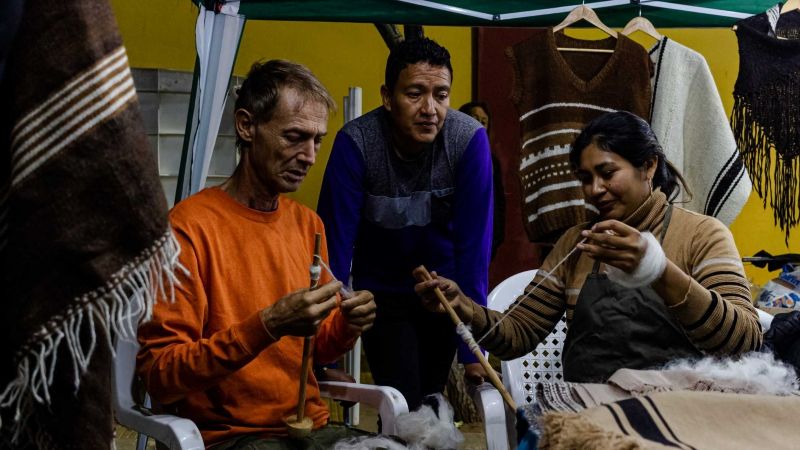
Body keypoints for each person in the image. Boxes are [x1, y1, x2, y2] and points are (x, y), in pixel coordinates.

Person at [415, 111, 762, 383]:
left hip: (677, 418)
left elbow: (743, 342)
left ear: (648, 166)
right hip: (590, 415)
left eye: (607, 173)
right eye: (585, 178)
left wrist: (657, 269)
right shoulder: (577, 244)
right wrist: (463, 306)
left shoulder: (702, 235)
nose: (594, 190)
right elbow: (517, 334)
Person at [136, 59, 377, 449]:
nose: (309, 156)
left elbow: (314, 350)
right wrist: (267, 324)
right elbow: (162, 375)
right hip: (231, 437)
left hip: (308, 429)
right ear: (246, 125)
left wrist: (348, 324)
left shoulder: (308, 224)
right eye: (295, 137)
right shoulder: (188, 228)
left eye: (317, 140)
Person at [317, 37, 493, 411]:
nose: (430, 109)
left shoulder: (467, 140)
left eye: (441, 95)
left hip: (443, 291)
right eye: (415, 94)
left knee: (432, 401)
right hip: (381, 294)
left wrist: (472, 348)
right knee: (401, 402)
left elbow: (474, 250)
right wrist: (327, 355)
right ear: (387, 97)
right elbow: (334, 251)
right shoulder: (357, 143)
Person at [458, 101, 505, 259]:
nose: (479, 125)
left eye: (483, 122)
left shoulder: (492, 161)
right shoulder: (450, 156)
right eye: (474, 118)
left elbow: (499, 203)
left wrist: (496, 237)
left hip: (485, 241)